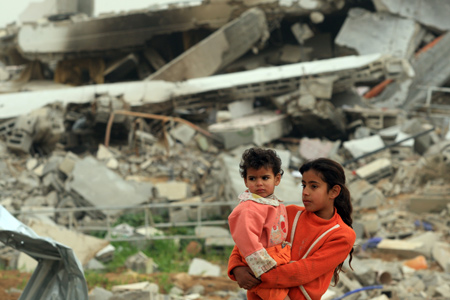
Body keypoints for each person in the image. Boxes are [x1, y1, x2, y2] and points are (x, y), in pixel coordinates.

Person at [228, 157, 356, 300]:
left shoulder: (342, 235)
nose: (305, 192)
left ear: (334, 191)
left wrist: (259, 275)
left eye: (313, 186)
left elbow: (304, 271)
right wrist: (237, 268)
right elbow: (246, 239)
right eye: (303, 185)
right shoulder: (287, 213)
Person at [228, 147, 291, 300]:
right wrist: (264, 268)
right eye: (253, 178)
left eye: (265, 178)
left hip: (276, 259)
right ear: (245, 181)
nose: (259, 183)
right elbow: (246, 240)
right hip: (264, 265)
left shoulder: (271, 203)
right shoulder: (248, 208)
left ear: (277, 179)